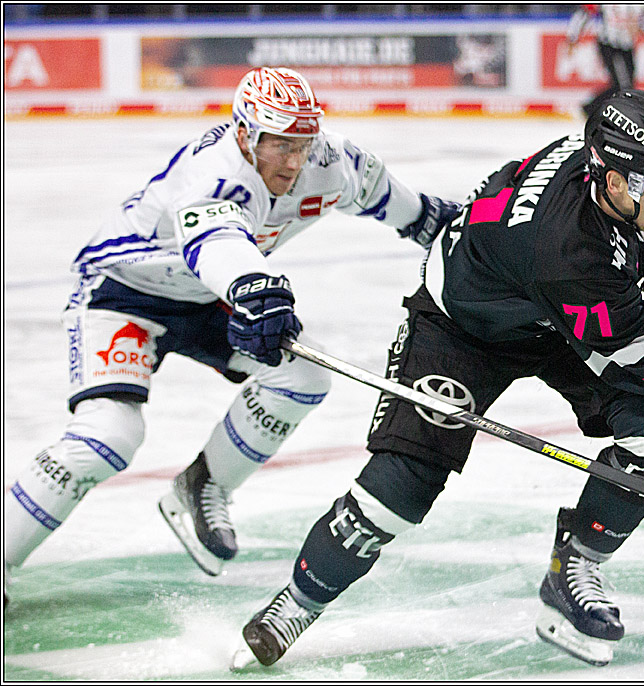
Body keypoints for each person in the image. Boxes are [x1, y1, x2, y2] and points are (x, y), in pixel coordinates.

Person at [230, 89, 644, 670]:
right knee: (405, 482)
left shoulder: (622, 172)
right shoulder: (568, 254)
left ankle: (575, 564)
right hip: (463, 328)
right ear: (614, 182)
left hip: (553, 320)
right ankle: (300, 599)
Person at [2, 66, 460, 602]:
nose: (293, 162)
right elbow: (216, 242)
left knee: (303, 378)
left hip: (208, 297)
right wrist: (254, 288)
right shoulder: (213, 173)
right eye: (279, 146)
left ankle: (204, 484)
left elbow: (417, 214)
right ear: (245, 134)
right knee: (109, 435)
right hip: (123, 294)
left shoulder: (332, 163)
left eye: (302, 144)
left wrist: (469, 238)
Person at [567, 4, 644, 117]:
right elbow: (585, 13)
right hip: (608, 44)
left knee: (628, 86)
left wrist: (640, 27)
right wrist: (573, 38)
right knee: (620, 85)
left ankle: (593, 109)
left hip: (627, 45)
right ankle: (590, 109)